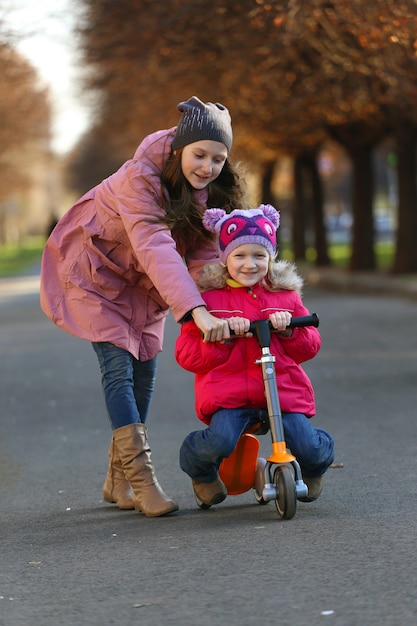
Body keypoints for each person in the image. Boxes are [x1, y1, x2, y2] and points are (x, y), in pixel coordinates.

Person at [40, 96, 248, 517]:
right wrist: (194, 310)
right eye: (200, 154)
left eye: (218, 158)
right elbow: (155, 245)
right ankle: (141, 479)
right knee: (117, 365)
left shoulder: (210, 195)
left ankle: (116, 482)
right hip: (96, 273)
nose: (207, 167)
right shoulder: (140, 178)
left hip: (146, 285)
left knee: (145, 370)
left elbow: (206, 260)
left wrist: (225, 308)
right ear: (178, 149)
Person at [175, 204, 335, 507]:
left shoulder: (284, 297)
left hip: (283, 392)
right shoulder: (209, 301)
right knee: (219, 440)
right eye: (240, 255)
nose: (250, 264)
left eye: (259, 256)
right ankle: (203, 474)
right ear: (225, 259)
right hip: (231, 394)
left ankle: (313, 468)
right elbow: (186, 355)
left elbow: (310, 346)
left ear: (271, 258)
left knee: (309, 446)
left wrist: (289, 329)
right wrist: (221, 338)